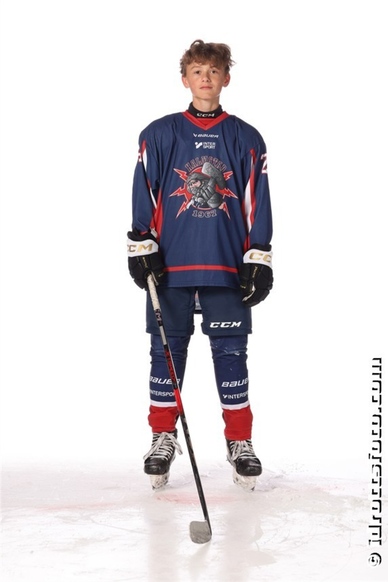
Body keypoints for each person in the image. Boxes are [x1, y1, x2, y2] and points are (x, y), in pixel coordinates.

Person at [127, 40, 273, 490]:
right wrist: (141, 245)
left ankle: (239, 441)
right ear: (184, 79)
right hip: (171, 265)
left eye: (213, 70)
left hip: (225, 264)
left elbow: (256, 200)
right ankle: (162, 437)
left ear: (226, 78)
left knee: (231, 354)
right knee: (166, 353)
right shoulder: (159, 133)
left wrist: (259, 255)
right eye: (197, 71)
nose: (205, 78)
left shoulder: (246, 138)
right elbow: (144, 191)